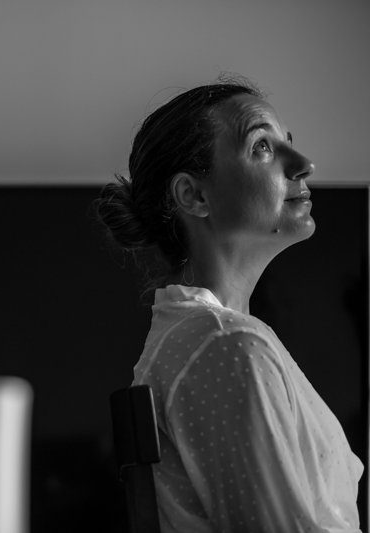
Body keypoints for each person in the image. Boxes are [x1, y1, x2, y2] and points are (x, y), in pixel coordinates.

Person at [93, 76, 364, 532]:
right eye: (262, 146)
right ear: (194, 195)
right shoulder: (228, 347)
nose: (304, 165)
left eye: (288, 141)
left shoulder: (204, 339)